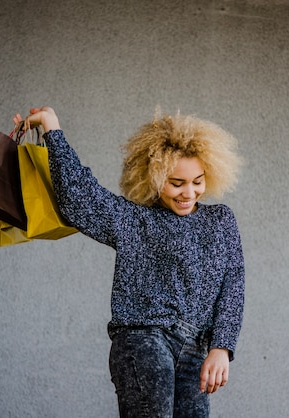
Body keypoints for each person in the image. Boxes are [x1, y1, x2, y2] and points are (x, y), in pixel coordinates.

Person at [14, 107, 245, 417]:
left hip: (196, 352)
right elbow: (81, 197)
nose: (188, 193)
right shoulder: (134, 219)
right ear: (154, 177)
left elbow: (233, 285)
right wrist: (52, 130)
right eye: (176, 183)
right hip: (144, 342)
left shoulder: (221, 220)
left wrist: (221, 347)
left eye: (198, 181)